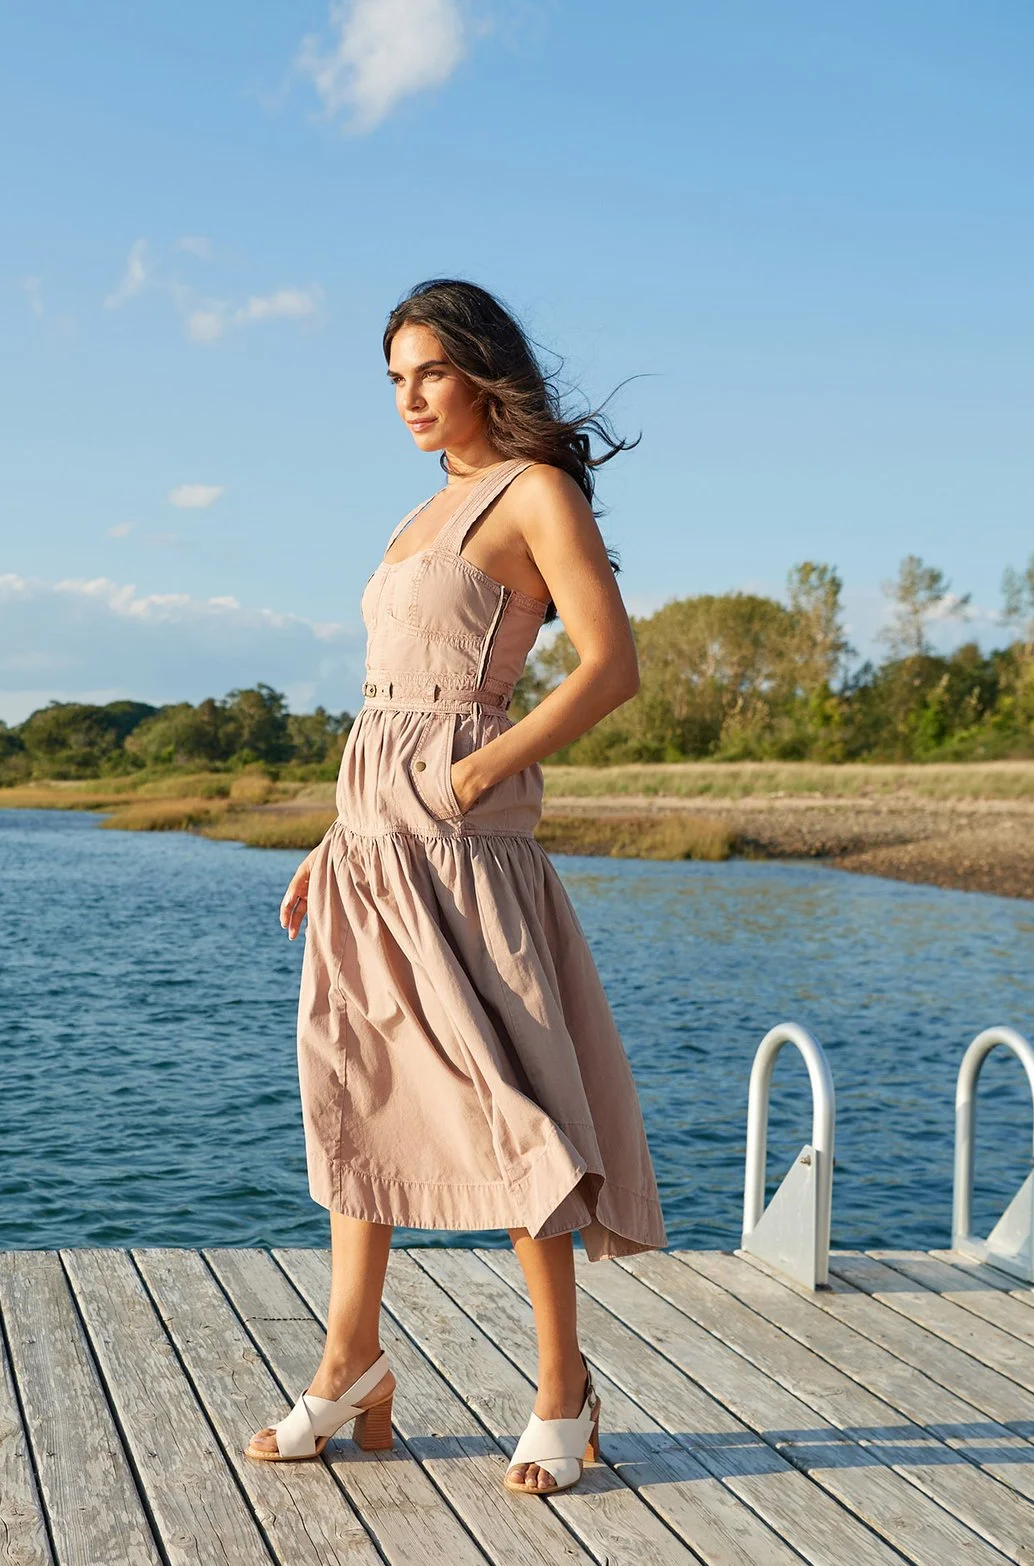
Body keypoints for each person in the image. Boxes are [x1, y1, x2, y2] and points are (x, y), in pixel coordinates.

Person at [245, 278, 666, 1496]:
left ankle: (561, 1392)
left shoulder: (534, 493)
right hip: (371, 845)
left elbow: (611, 666)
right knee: (359, 1092)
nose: (410, 397)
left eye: (428, 370)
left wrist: (485, 761)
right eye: (393, 378)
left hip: (465, 841)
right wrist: (333, 839)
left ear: (483, 368)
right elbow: (385, 696)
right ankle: (351, 1360)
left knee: (504, 1104)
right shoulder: (414, 515)